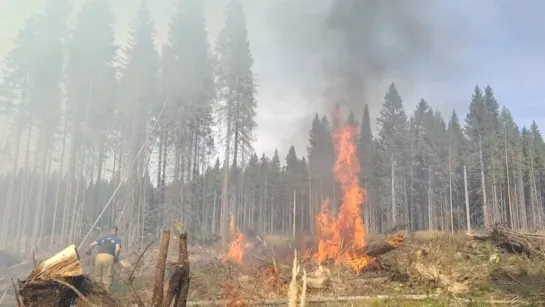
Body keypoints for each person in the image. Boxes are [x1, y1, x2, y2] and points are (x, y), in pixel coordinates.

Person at [87, 226, 121, 291]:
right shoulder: (117, 239)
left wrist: (89, 252)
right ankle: (106, 293)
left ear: (110, 231)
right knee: (107, 277)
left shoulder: (103, 238)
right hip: (109, 257)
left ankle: (97, 291)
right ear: (116, 232)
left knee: (97, 275)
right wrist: (116, 257)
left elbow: (91, 244)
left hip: (99, 256)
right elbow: (117, 249)